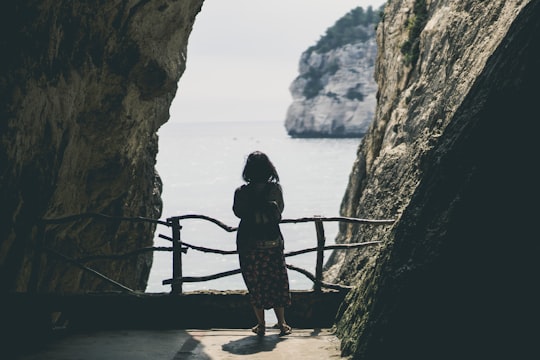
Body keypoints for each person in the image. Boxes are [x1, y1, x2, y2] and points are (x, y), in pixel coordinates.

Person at [233, 151, 292, 336]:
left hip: (249, 244)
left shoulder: (241, 192)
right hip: (272, 242)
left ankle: (261, 324)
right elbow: (280, 211)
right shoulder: (275, 190)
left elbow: (238, 212)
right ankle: (282, 324)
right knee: (277, 280)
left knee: (255, 282)